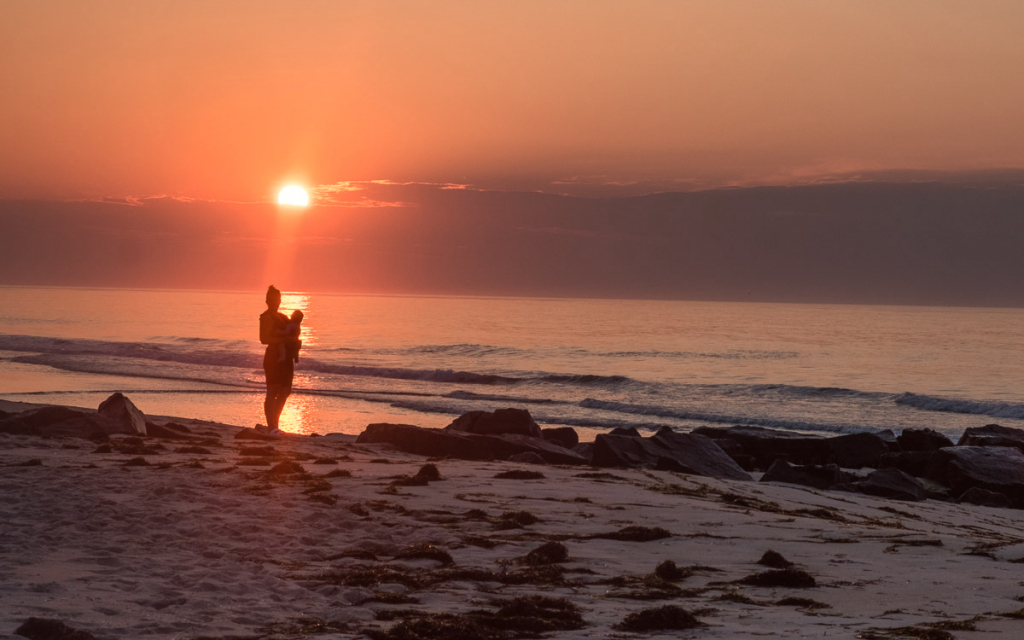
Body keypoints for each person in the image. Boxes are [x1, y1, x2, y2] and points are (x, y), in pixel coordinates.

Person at [258, 285, 292, 432]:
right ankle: (272, 426)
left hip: (286, 359)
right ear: (267, 300)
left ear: (280, 300)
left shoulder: (283, 317)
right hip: (273, 356)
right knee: (273, 390)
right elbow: (263, 338)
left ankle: (275, 424)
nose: (274, 302)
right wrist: (283, 340)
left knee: (285, 390)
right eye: (271, 299)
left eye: (276, 299)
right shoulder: (266, 317)